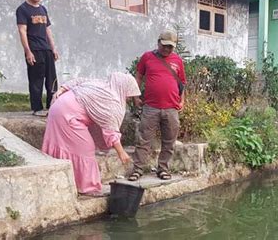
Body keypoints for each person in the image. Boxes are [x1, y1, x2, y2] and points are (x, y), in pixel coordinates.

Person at [42, 72, 141, 196]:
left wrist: (62, 89)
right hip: (67, 116)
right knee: (86, 149)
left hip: (57, 108)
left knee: (66, 147)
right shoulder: (112, 101)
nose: (127, 99)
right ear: (123, 88)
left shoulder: (98, 83)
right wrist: (121, 153)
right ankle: (87, 188)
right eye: (128, 95)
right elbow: (110, 131)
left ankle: (64, 183)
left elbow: (77, 81)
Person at [128, 30, 186, 181]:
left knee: (169, 141)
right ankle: (138, 169)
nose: (167, 49)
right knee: (144, 140)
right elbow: (139, 76)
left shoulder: (178, 60)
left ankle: (163, 169)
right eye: (164, 46)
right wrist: (136, 96)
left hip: (171, 107)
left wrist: (182, 100)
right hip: (150, 107)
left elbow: (182, 83)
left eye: (170, 47)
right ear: (158, 42)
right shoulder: (147, 57)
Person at [16, 0, 59, 116]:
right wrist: (28, 51)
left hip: (46, 49)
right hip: (34, 49)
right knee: (36, 80)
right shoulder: (22, 9)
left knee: (52, 79)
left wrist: (53, 48)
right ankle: (37, 108)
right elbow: (22, 31)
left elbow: (48, 30)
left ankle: (53, 106)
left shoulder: (43, 9)